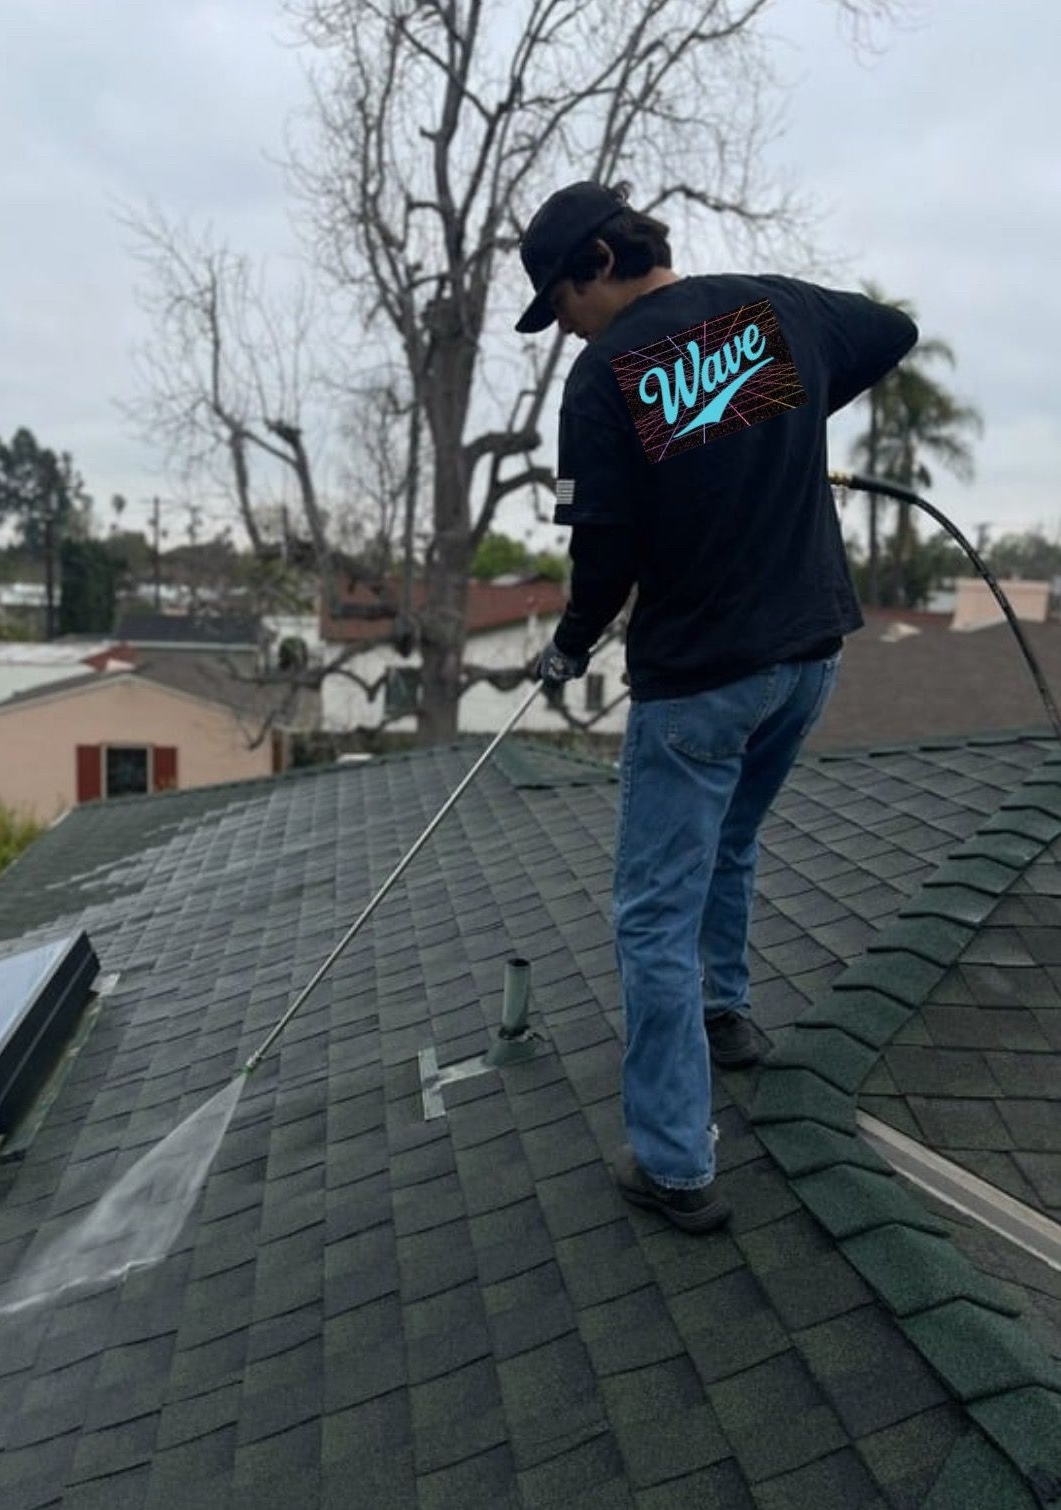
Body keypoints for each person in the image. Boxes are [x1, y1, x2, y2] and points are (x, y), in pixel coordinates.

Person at [516, 179, 919, 1233]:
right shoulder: (772, 310)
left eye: (560, 301)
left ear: (600, 263)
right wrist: (774, 403)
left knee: (652, 913)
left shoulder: (604, 376)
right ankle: (723, 1012)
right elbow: (892, 330)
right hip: (807, 661)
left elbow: (603, 553)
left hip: (700, 681)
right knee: (731, 839)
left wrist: (567, 645)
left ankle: (673, 1164)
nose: (565, 327)